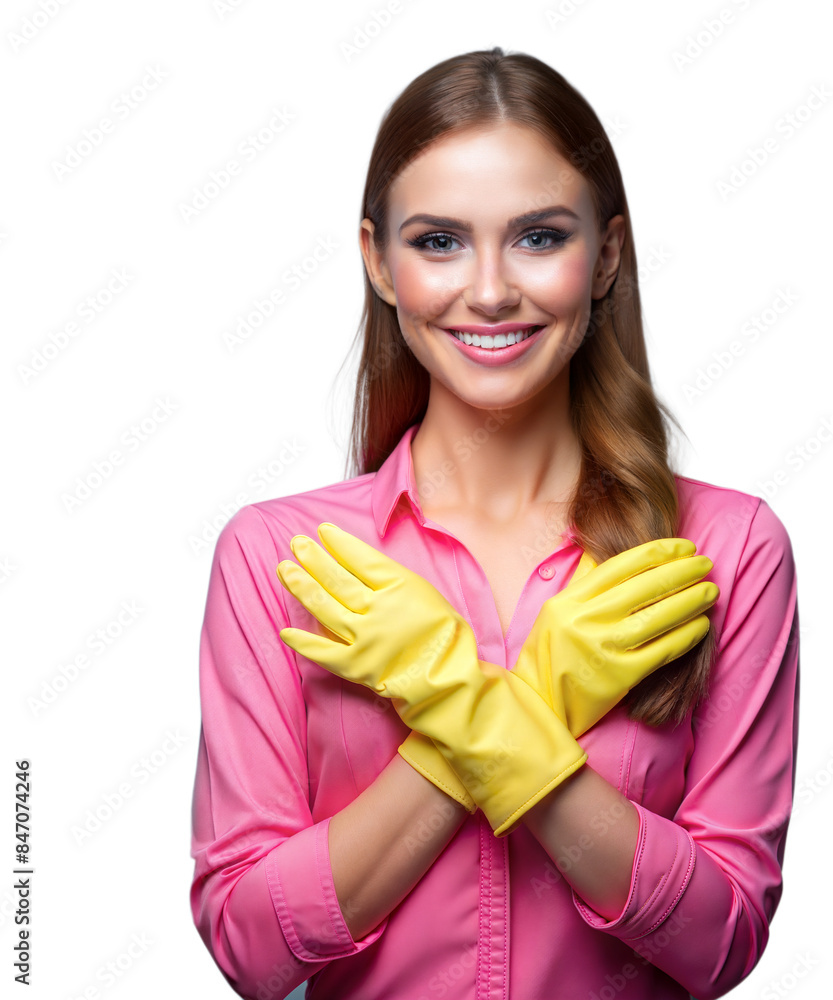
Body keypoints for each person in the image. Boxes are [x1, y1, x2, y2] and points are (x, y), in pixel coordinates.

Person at [189, 46, 800, 1000]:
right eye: (437, 241)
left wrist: (473, 710)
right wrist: (515, 711)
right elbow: (249, 947)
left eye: (538, 237)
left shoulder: (726, 552)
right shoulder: (279, 559)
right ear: (377, 262)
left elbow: (721, 941)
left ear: (605, 256)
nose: (487, 291)